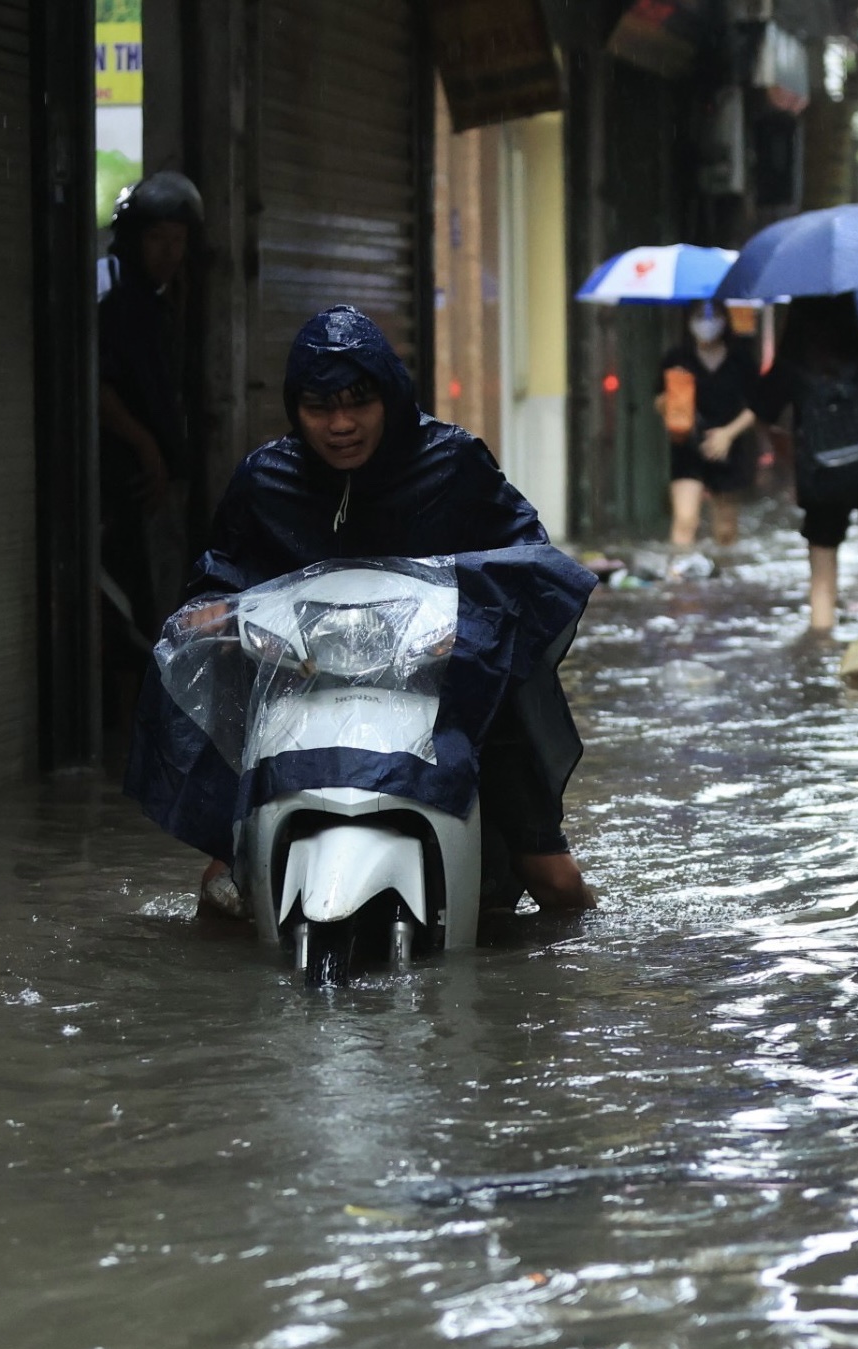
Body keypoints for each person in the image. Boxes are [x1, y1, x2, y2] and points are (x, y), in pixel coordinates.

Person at [134, 305, 596, 916]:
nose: (341, 424)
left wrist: (469, 626)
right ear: (295, 410)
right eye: (320, 407)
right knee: (221, 896)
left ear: (392, 397)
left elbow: (526, 555)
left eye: (358, 402)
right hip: (302, 694)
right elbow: (223, 571)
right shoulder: (265, 480)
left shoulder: (453, 463)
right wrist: (209, 609)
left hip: (454, 699)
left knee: (556, 885)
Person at [98, 171, 204, 716]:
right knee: (136, 598)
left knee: (164, 593)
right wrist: (147, 448)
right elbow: (101, 388)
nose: (168, 252)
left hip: (166, 477)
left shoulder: (165, 303)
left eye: (178, 240)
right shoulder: (118, 303)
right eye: (157, 238)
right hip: (134, 480)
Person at [750, 295, 858, 634]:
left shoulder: (793, 360)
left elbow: (763, 413)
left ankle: (820, 649)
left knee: (822, 574)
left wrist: (789, 447)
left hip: (820, 476)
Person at [655, 301, 759, 547]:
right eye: (700, 315)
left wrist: (728, 434)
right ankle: (679, 577)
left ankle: (721, 579)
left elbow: (758, 406)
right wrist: (674, 394)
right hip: (687, 447)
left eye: (713, 314)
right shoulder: (677, 358)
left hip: (728, 448)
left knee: (725, 529)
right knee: (685, 520)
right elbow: (657, 402)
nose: (707, 321)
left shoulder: (740, 359)